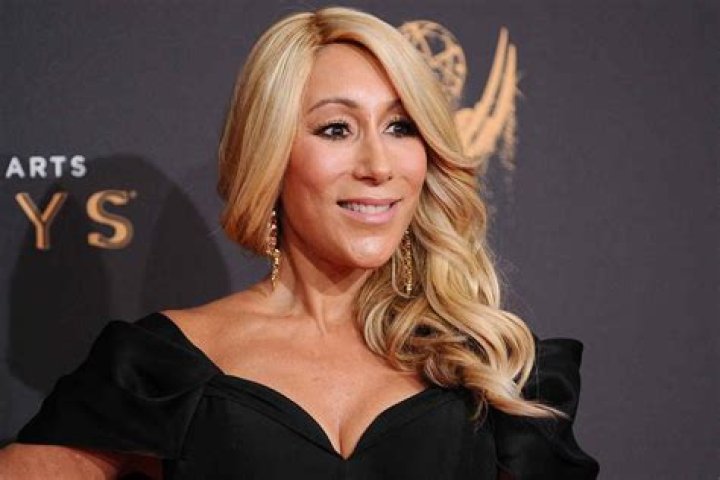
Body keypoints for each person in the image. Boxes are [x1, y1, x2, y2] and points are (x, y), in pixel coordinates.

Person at [0, 6, 599, 479]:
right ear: (271, 155)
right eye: (336, 129)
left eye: (400, 126)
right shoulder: (164, 367)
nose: (378, 165)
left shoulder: (495, 369)